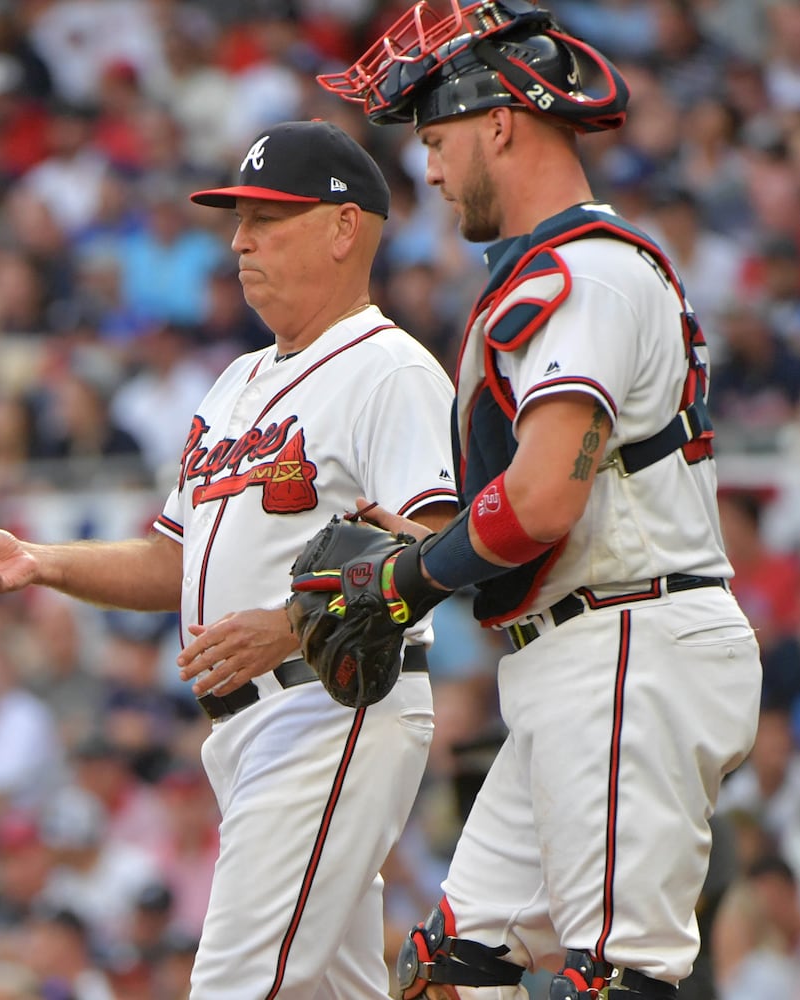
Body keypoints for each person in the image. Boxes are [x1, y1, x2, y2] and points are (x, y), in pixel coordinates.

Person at [0, 120, 459, 997]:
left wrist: (293, 624)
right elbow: (168, 562)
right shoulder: (235, 383)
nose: (239, 240)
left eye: (268, 218)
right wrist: (40, 562)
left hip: (333, 706)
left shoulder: (390, 371)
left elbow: (436, 548)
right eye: (238, 220)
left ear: (344, 229)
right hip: (248, 730)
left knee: (230, 985)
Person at [317, 3, 764, 996]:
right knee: (447, 963)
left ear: (501, 122)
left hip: (628, 644)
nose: (427, 168)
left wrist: (408, 581)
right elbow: (541, 498)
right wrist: (416, 544)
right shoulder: (556, 270)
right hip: (585, 649)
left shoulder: (585, 273)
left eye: (436, 138)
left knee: (616, 977)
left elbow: (541, 502)